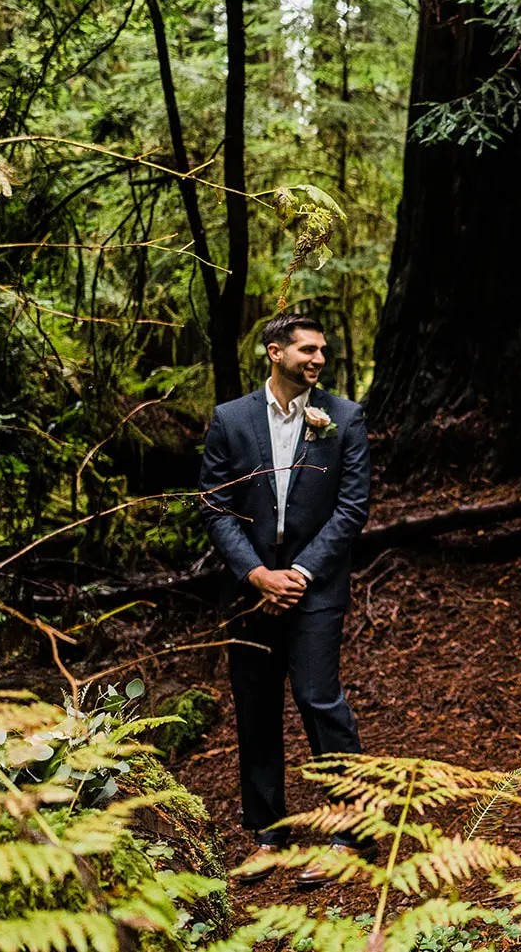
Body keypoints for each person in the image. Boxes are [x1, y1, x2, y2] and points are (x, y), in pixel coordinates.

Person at [198, 312, 371, 885]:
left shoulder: (343, 418)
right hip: (249, 593)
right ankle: (269, 835)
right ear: (275, 352)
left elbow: (352, 508)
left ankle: (350, 833)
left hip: (314, 588)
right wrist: (255, 575)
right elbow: (215, 505)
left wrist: (297, 573)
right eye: (307, 350)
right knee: (255, 706)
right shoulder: (231, 419)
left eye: (322, 350)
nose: (318, 359)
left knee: (321, 700)